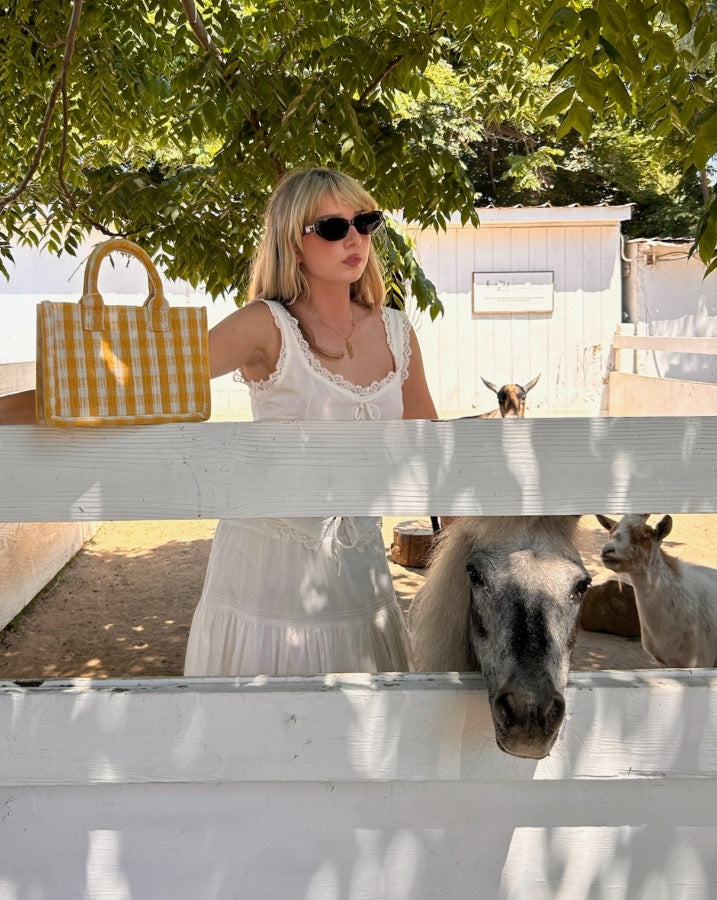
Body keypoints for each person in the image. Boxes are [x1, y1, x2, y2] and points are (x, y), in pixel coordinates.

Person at [0, 167, 439, 676]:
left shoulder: (396, 330)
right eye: (333, 228)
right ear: (293, 244)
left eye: (364, 222)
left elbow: (436, 449)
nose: (355, 239)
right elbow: (133, 386)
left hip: (362, 574)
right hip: (267, 576)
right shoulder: (264, 325)